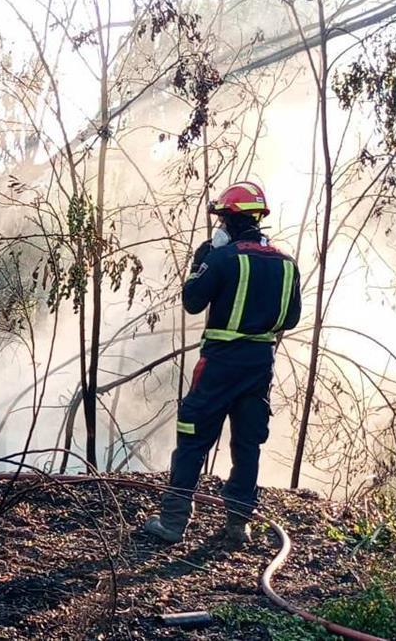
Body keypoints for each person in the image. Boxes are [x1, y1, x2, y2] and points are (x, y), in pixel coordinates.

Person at [144, 181, 301, 545]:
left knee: (192, 437)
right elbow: (289, 319)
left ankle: (173, 522)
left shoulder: (222, 258)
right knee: (247, 444)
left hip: (219, 364)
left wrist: (201, 262)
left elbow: (193, 301)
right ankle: (237, 525)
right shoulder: (287, 265)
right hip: (260, 366)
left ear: (229, 219)